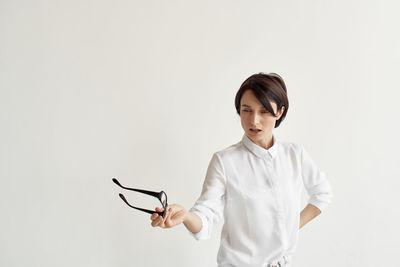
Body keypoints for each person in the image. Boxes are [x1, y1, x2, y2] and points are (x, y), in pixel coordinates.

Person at [150, 73, 333, 267]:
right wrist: (186, 216)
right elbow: (205, 216)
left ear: (279, 112)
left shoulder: (294, 154)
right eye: (246, 110)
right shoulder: (224, 161)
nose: (254, 121)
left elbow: (322, 194)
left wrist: (289, 230)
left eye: (264, 111)